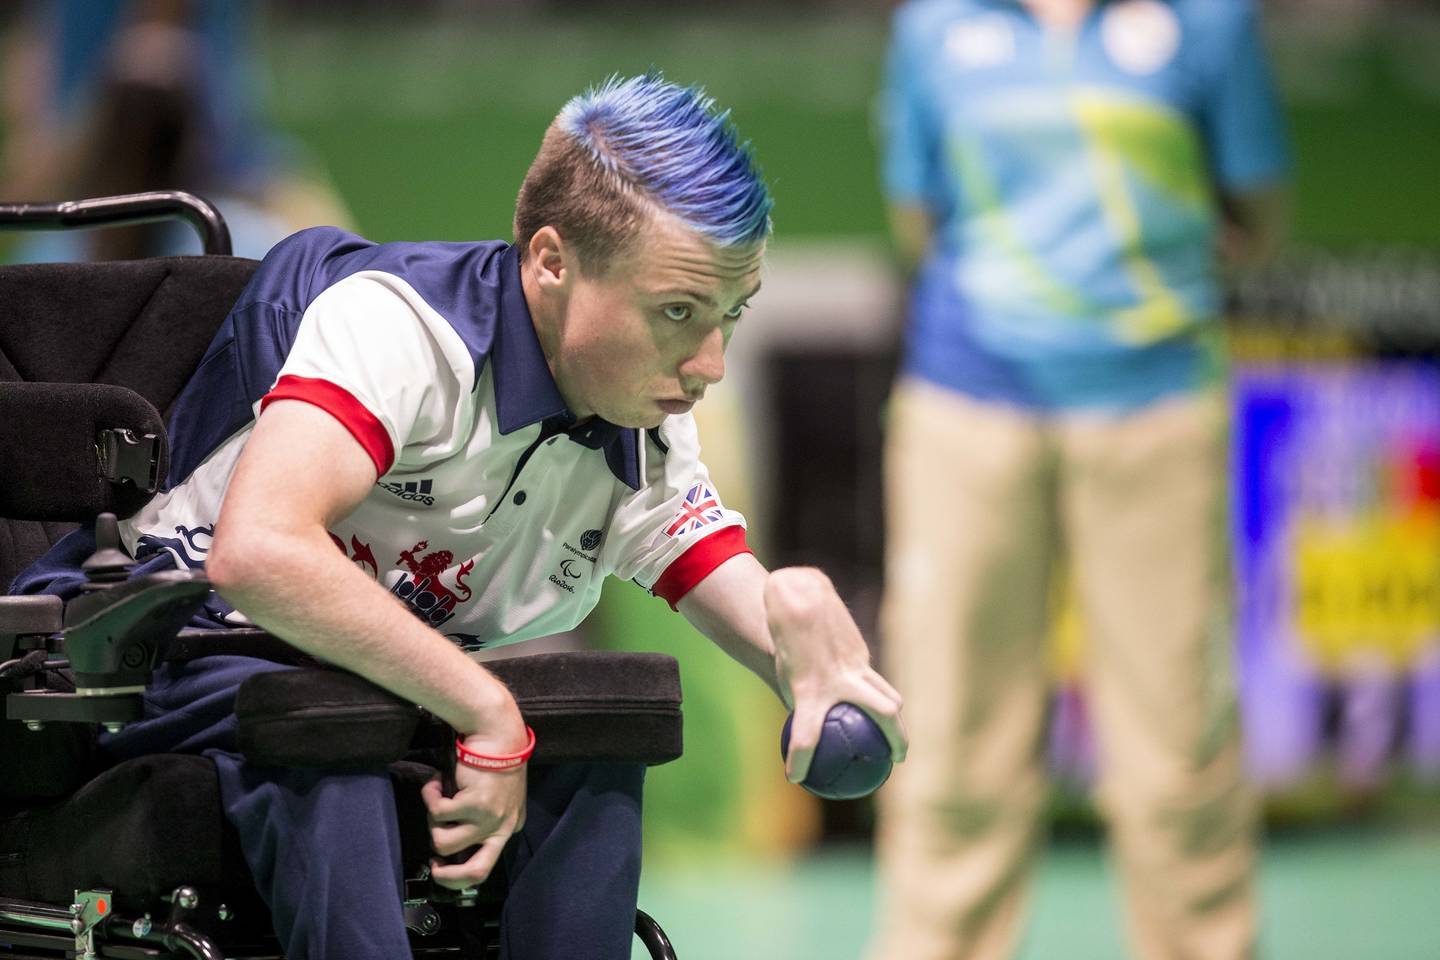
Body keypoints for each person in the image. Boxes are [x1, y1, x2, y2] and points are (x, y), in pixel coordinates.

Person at [11, 74, 907, 960]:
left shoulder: (639, 417)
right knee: (336, 728)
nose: (710, 361)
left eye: (728, 314)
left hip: (375, 680)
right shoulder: (401, 330)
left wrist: (810, 653)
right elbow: (260, 552)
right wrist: (484, 709)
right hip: (180, 649)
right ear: (552, 261)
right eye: (677, 312)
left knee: (602, 711)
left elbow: (717, 571)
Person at [869, 2, 1289, 959]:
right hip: (966, 412)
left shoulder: (1211, 21)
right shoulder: (934, 24)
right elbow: (917, 220)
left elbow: (1257, 211)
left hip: (1156, 413)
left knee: (1179, 749)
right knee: (951, 742)